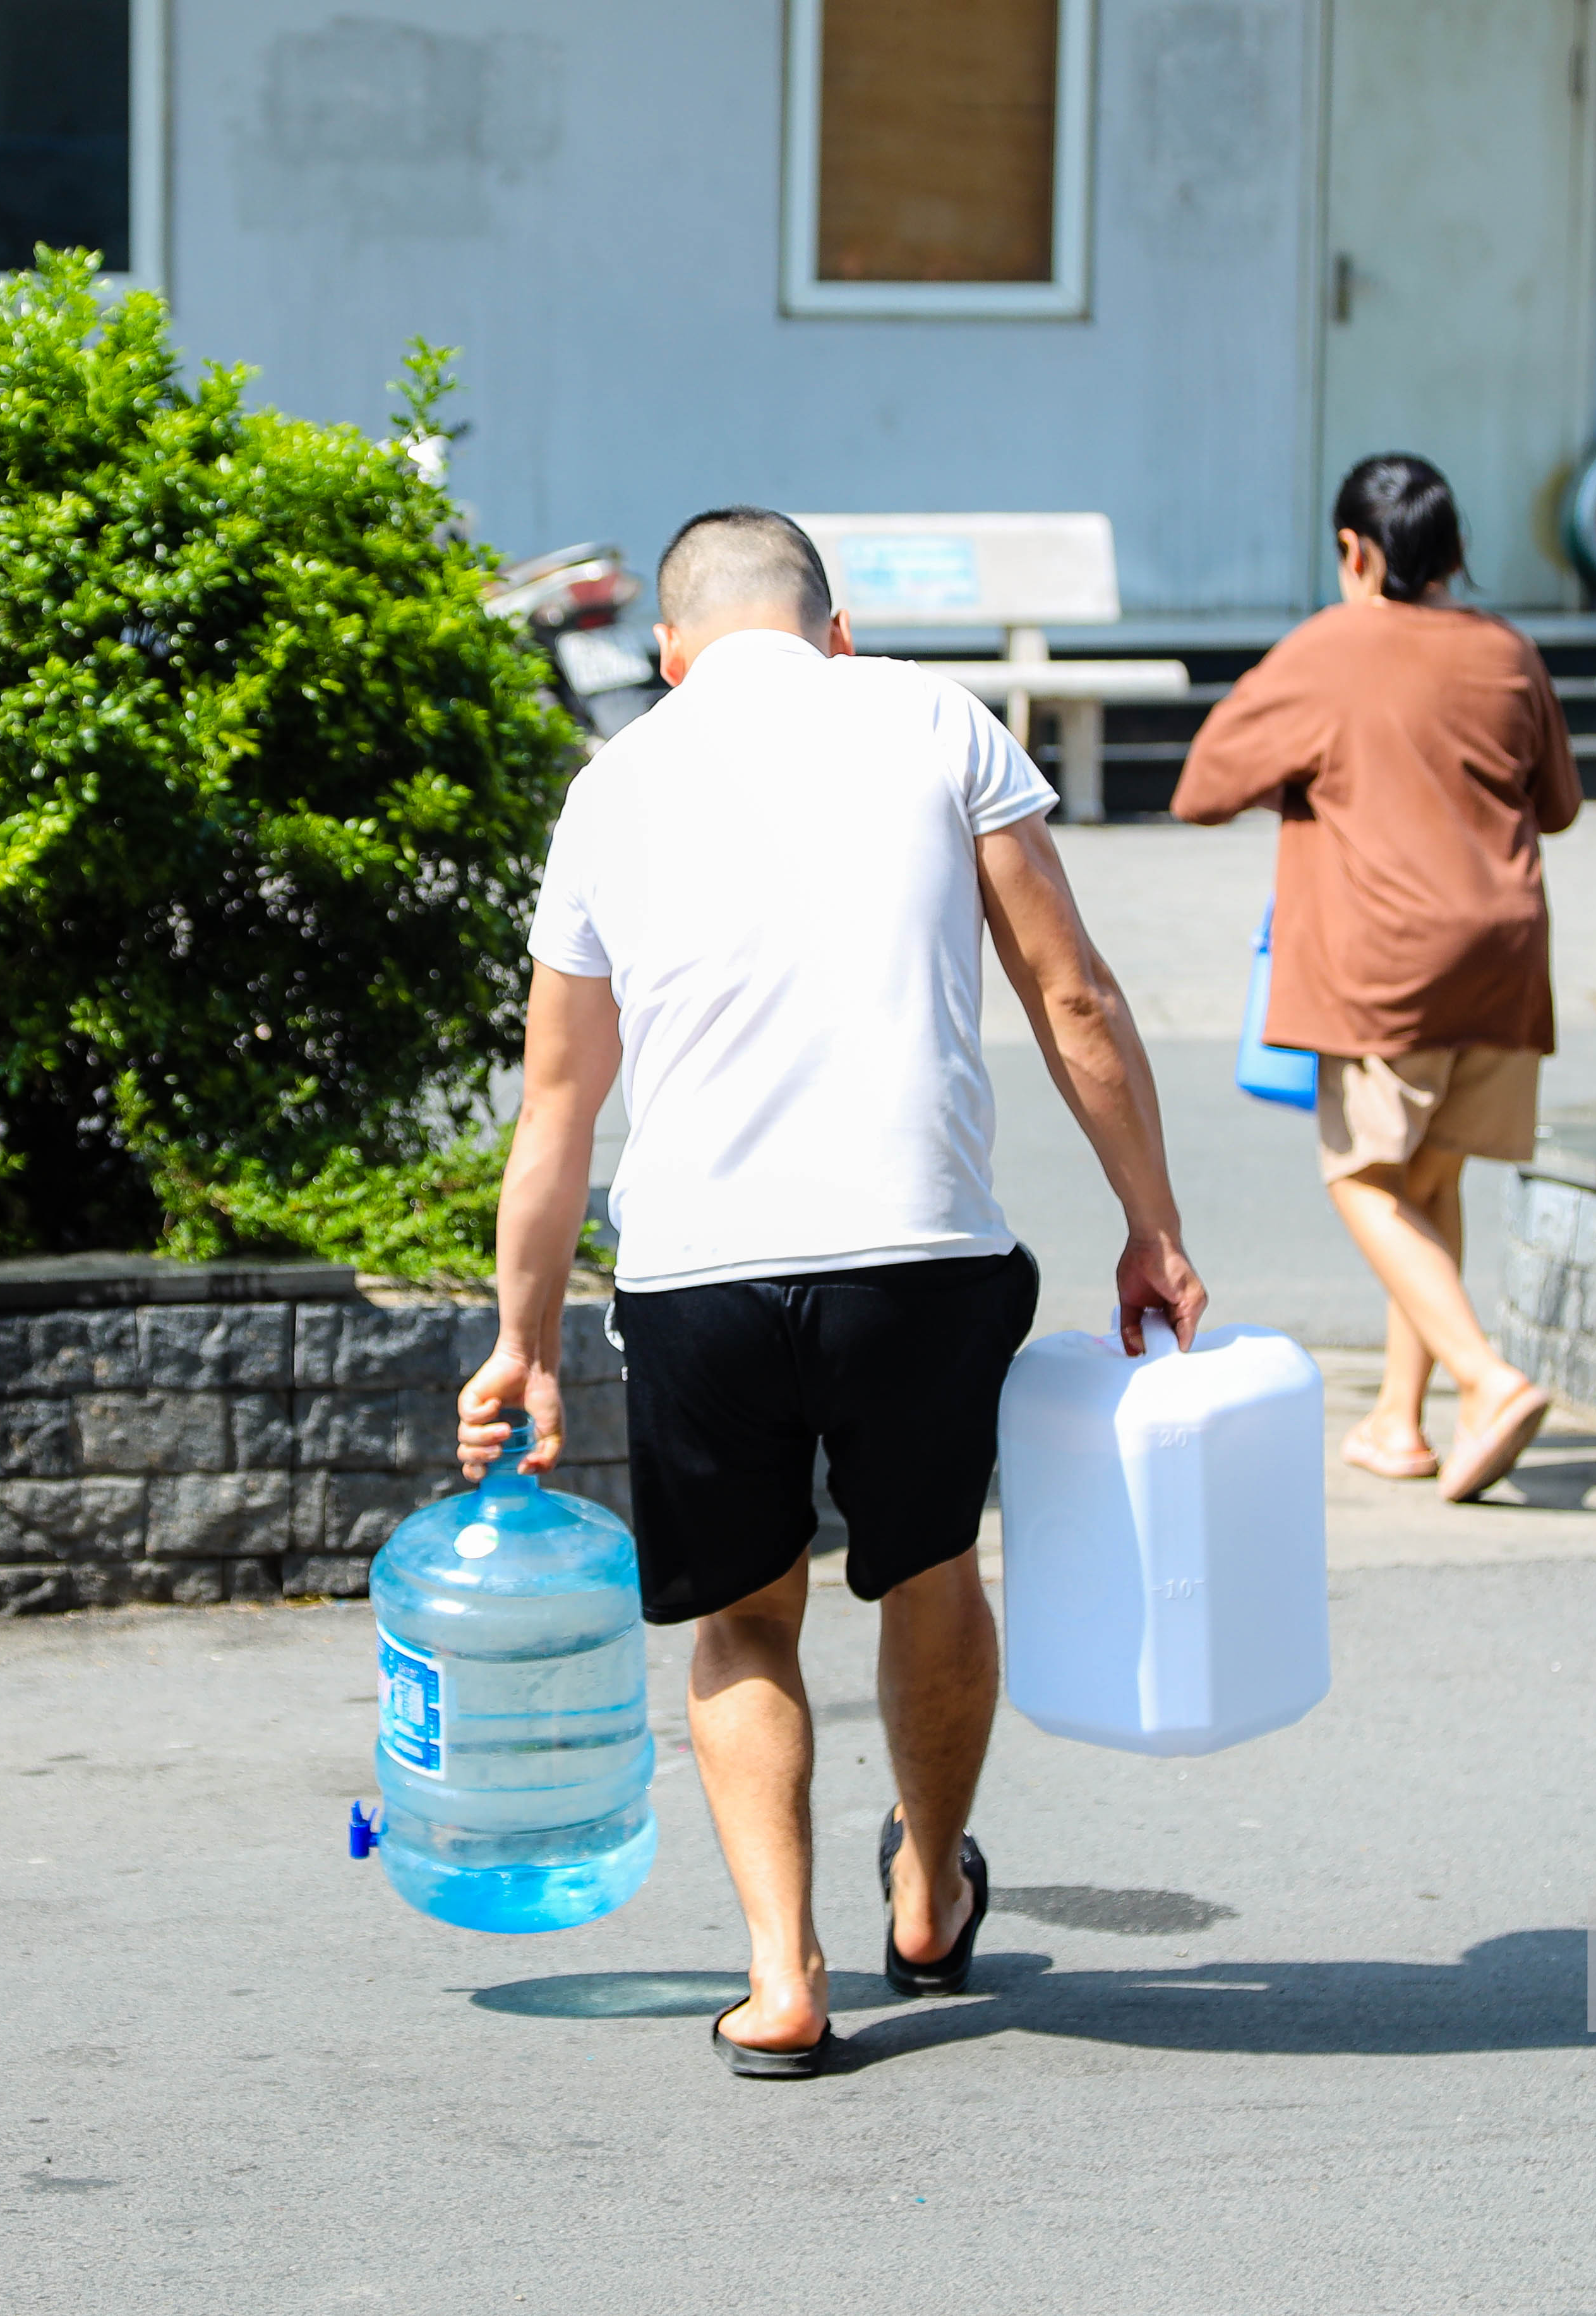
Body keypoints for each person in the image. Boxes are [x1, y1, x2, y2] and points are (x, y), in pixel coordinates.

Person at [452, 507, 1208, 2076]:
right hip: (920, 1252)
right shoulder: (935, 716)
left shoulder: (613, 782)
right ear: (833, 627)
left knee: (741, 1614)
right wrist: (1151, 1221)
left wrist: (518, 1338)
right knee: (927, 1568)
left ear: (669, 653)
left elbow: (555, 1103)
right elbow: (1068, 990)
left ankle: (781, 1974)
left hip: (697, 1274)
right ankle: (926, 1888)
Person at [1172, 455, 1580, 1503]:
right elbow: (1561, 802)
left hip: (1384, 961)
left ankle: (1487, 1380)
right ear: (1451, 553)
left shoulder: (1330, 648)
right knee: (1432, 1183)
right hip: (1504, 954)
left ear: (1355, 552)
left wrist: (1317, 781)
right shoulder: (1508, 649)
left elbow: (1203, 786)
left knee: (1361, 1177)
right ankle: (1400, 1422)